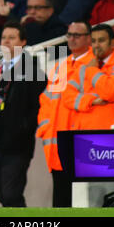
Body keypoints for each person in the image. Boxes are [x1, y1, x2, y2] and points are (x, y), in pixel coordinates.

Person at [0, 22, 46, 207]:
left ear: (23, 42)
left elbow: (38, 107)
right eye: (3, 37)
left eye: (12, 37)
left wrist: (22, 129)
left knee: (11, 194)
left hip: (17, 144)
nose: (6, 41)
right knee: (2, 196)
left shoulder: (33, 70)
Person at [36, 21, 94, 207]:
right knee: (61, 203)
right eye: (69, 35)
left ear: (88, 38)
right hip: (57, 145)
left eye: (77, 35)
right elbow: (45, 100)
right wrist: (45, 127)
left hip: (82, 145)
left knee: (82, 202)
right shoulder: (61, 67)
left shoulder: (95, 64)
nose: (72, 39)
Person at [62, 23, 114, 129]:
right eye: (93, 41)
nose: (96, 45)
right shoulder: (83, 68)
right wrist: (92, 101)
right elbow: (67, 97)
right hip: (85, 134)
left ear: (113, 42)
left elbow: (109, 92)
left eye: (101, 40)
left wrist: (92, 70)